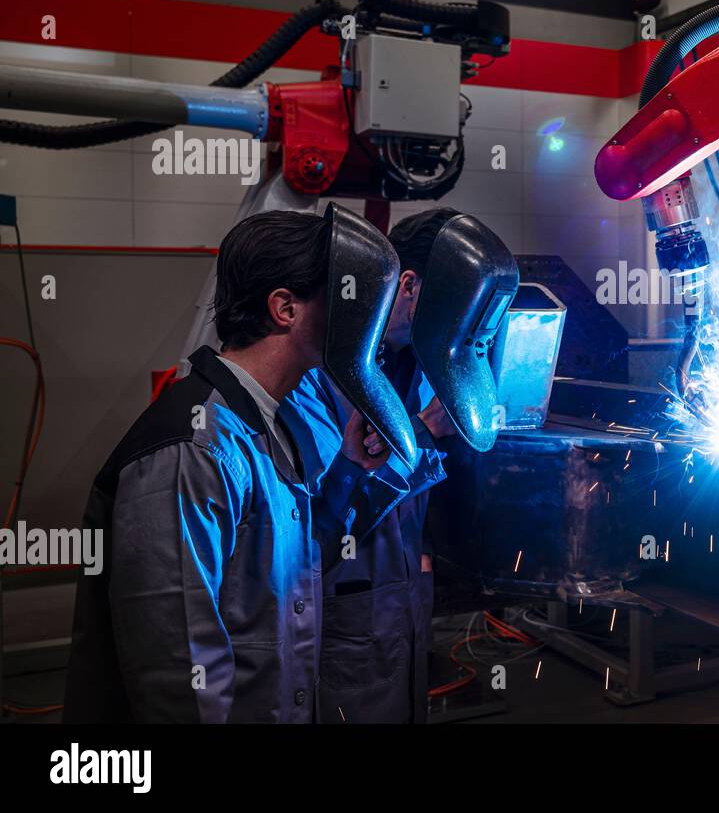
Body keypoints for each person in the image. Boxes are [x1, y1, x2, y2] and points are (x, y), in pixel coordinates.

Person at [63, 209, 405, 722]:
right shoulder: (195, 447)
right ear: (285, 308)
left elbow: (299, 565)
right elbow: (178, 666)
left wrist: (352, 468)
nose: (361, 320)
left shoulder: (273, 422)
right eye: (345, 296)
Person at [304, 207, 517, 723]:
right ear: (408, 285)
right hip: (341, 609)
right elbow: (324, 516)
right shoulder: (322, 370)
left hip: (402, 605)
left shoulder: (421, 361)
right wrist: (422, 432)